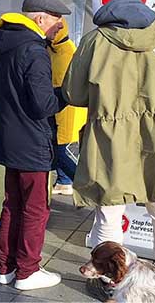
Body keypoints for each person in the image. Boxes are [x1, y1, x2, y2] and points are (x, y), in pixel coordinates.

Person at [62, 0, 155, 300]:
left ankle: (107, 280)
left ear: (110, 1)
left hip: (111, 136)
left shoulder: (94, 40)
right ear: (143, 0)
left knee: (109, 210)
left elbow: (74, 93)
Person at [0, 0, 69, 291]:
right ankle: (27, 271)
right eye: (55, 22)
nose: (57, 29)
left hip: (9, 141)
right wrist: (66, 94)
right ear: (40, 18)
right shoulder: (35, 51)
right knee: (36, 209)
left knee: (12, 205)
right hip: (32, 142)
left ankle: (6, 267)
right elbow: (42, 105)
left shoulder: (6, 45)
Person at [47, 18, 87, 195]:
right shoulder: (51, 49)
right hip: (58, 105)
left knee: (63, 149)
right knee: (59, 145)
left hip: (68, 107)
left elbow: (65, 85)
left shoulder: (67, 51)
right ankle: (64, 181)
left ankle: (80, 186)